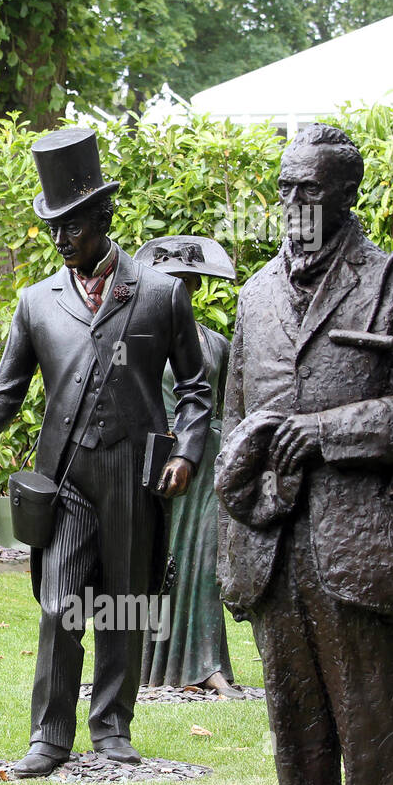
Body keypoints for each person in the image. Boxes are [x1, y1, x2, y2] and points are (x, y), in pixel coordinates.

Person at [0, 128, 212, 778]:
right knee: (60, 604)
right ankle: (49, 737)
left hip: (135, 475)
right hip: (67, 478)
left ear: (102, 219)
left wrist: (186, 452)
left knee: (121, 604)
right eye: (52, 228)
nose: (60, 241)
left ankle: (111, 728)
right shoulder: (35, 303)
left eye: (70, 227)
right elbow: (4, 395)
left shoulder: (160, 295)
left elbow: (196, 389)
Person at [216, 122, 393, 785]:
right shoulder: (256, 295)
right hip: (275, 554)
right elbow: (234, 422)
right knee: (298, 742)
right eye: (284, 189)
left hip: (360, 550)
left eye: (310, 190)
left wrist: (326, 431)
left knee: (375, 738)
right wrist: (236, 536)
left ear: (347, 192)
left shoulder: (391, 287)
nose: (294, 204)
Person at [134, 236, 242, 697]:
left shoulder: (217, 342)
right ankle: (148, 664)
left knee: (203, 562)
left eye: (189, 279)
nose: (184, 285)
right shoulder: (141, 340)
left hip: (210, 464)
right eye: (174, 278)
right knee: (159, 561)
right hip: (161, 461)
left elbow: (235, 403)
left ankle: (207, 663)